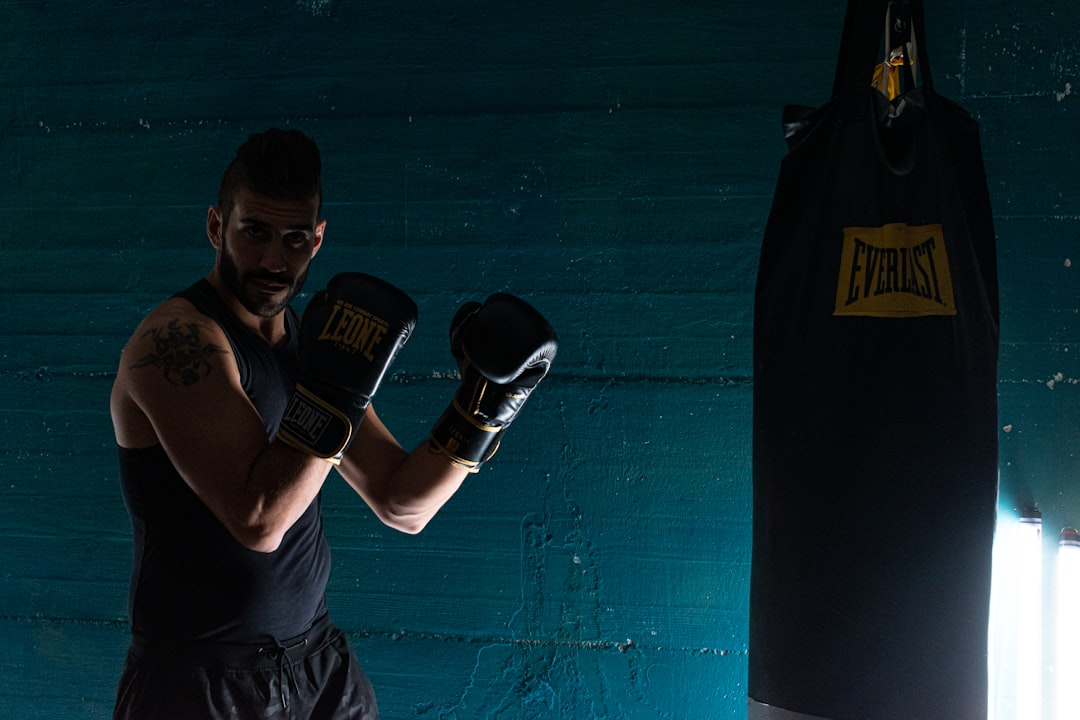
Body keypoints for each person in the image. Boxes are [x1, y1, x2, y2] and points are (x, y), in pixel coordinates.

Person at [109, 128, 557, 719]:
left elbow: (402, 505)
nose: (274, 260)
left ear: (317, 239)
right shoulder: (176, 341)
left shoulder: (310, 347)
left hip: (317, 665)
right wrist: (336, 392)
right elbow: (258, 519)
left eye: (294, 238)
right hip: (200, 680)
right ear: (217, 227)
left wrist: (481, 411)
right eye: (255, 232)